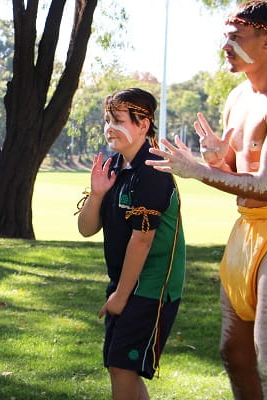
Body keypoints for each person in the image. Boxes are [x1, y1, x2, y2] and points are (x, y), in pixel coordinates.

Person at [146, 1, 267, 398]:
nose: (226, 46)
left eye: (235, 37)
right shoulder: (238, 96)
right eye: (225, 37)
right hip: (247, 230)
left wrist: (197, 170)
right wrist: (217, 158)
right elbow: (235, 170)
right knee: (233, 352)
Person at [76, 88, 185, 400]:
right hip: (125, 283)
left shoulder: (153, 169)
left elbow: (143, 238)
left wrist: (122, 297)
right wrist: (97, 193)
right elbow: (86, 229)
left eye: (118, 120)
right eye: (107, 120)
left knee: (122, 367)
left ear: (143, 124)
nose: (110, 127)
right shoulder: (114, 165)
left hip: (151, 286)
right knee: (120, 366)